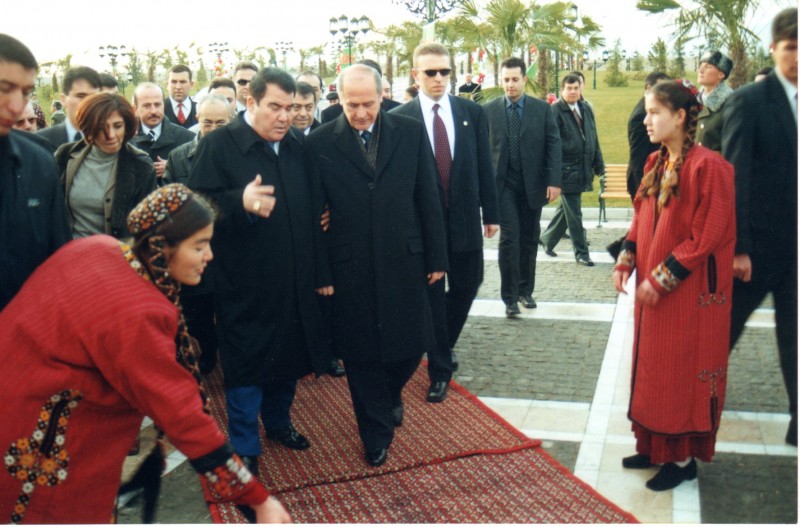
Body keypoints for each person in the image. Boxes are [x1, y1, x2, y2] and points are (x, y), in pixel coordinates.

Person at [0, 184, 291, 523]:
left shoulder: (98, 247)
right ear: (161, 246)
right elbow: (182, 415)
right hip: (42, 445)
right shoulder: (138, 311)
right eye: (199, 246)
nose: (209, 255)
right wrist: (256, 499)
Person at [306, 64, 447, 467]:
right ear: (338, 99)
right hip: (348, 265)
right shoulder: (319, 142)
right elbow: (314, 212)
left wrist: (437, 256)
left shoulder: (410, 132)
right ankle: (375, 433)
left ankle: (388, 395)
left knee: (412, 344)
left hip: (406, 258)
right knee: (361, 353)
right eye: (352, 105)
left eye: (368, 103)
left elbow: (428, 194)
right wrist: (321, 271)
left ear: (383, 96)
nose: (361, 113)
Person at [190, 67, 331, 472]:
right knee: (247, 365)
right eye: (275, 107)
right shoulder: (220, 144)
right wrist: (239, 201)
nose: (285, 117)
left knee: (288, 358)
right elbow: (194, 205)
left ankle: (279, 423)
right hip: (243, 282)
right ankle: (245, 446)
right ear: (250, 103)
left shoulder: (298, 145)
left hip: (293, 278)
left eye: (291, 107)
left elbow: (315, 204)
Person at [613, 79, 736, 492]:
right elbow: (640, 217)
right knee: (653, 369)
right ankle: (654, 447)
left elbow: (705, 237)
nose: (646, 120)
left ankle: (682, 460)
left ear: (681, 116)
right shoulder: (655, 162)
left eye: (655, 113)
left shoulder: (709, 168)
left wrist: (661, 279)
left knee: (679, 372)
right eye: (646, 112)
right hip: (654, 293)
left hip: (688, 296)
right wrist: (627, 259)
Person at [392, 42, 499, 402]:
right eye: (430, 72)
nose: (438, 78)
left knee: (469, 283)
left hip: (464, 218)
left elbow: (483, 163)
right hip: (424, 227)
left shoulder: (471, 112)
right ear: (415, 75)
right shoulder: (401, 117)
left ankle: (440, 344)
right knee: (434, 298)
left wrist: (491, 213)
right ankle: (439, 369)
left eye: (444, 71)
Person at [723, 7, 798, 446]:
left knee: (797, 340)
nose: (798, 58)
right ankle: (687, 415)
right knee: (721, 338)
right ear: (773, 48)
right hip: (755, 253)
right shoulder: (749, 101)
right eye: (791, 48)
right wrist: (739, 247)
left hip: (797, 254)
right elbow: (736, 177)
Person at [484, 57, 562, 317]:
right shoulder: (489, 111)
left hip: (533, 184)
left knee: (529, 238)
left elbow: (553, 144)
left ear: (524, 80)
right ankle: (509, 298)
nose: (510, 85)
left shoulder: (542, 110)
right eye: (506, 80)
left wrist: (554, 181)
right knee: (510, 238)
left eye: (515, 79)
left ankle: (525, 291)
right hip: (503, 184)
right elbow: (481, 151)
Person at [0, 33, 71, 311]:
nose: (16, 105)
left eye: (26, 92)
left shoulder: (39, 163)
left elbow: (58, 260)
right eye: (4, 88)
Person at [164, 94, 231, 375]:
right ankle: (208, 347)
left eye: (220, 123)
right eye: (207, 122)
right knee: (197, 309)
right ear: (197, 121)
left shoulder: (238, 156)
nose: (213, 129)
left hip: (229, 245)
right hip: (195, 246)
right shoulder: (179, 157)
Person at [54, 92, 157, 239]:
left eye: (117, 126)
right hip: (70, 249)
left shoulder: (141, 165)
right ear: (89, 128)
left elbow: (148, 225)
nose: (111, 135)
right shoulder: (65, 155)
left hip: (119, 251)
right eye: (102, 127)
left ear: (127, 126)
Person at [539, 74, 605, 267]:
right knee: (575, 213)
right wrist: (553, 175)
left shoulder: (586, 108)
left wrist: (599, 164)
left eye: (576, 88)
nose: (573, 91)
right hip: (565, 171)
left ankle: (547, 239)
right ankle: (581, 253)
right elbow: (550, 144)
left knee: (566, 210)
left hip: (582, 168)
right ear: (562, 90)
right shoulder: (554, 111)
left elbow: (593, 137)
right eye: (569, 88)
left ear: (580, 88)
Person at [130, 82, 195, 181]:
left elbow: (196, 174)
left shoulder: (186, 138)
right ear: (135, 109)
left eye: (157, 104)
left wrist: (173, 168)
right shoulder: (126, 140)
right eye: (147, 106)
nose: (153, 111)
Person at [627, 72, 670, 200]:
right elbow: (638, 157)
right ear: (648, 88)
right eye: (661, 89)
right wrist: (644, 187)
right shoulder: (641, 116)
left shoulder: (652, 109)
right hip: (645, 180)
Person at [36, 66, 101, 151]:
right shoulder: (40, 141)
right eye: (81, 96)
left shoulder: (110, 138)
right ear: (63, 99)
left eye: (93, 97)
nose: (88, 103)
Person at [695, 50, 734, 152]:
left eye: (707, 67)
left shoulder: (730, 104)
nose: (701, 70)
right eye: (701, 66)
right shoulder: (694, 101)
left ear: (721, 74)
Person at [164, 64, 198, 128]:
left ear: (191, 84)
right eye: (174, 82)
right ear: (167, 85)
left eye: (182, 82)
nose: (178, 87)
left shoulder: (200, 110)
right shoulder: (159, 110)